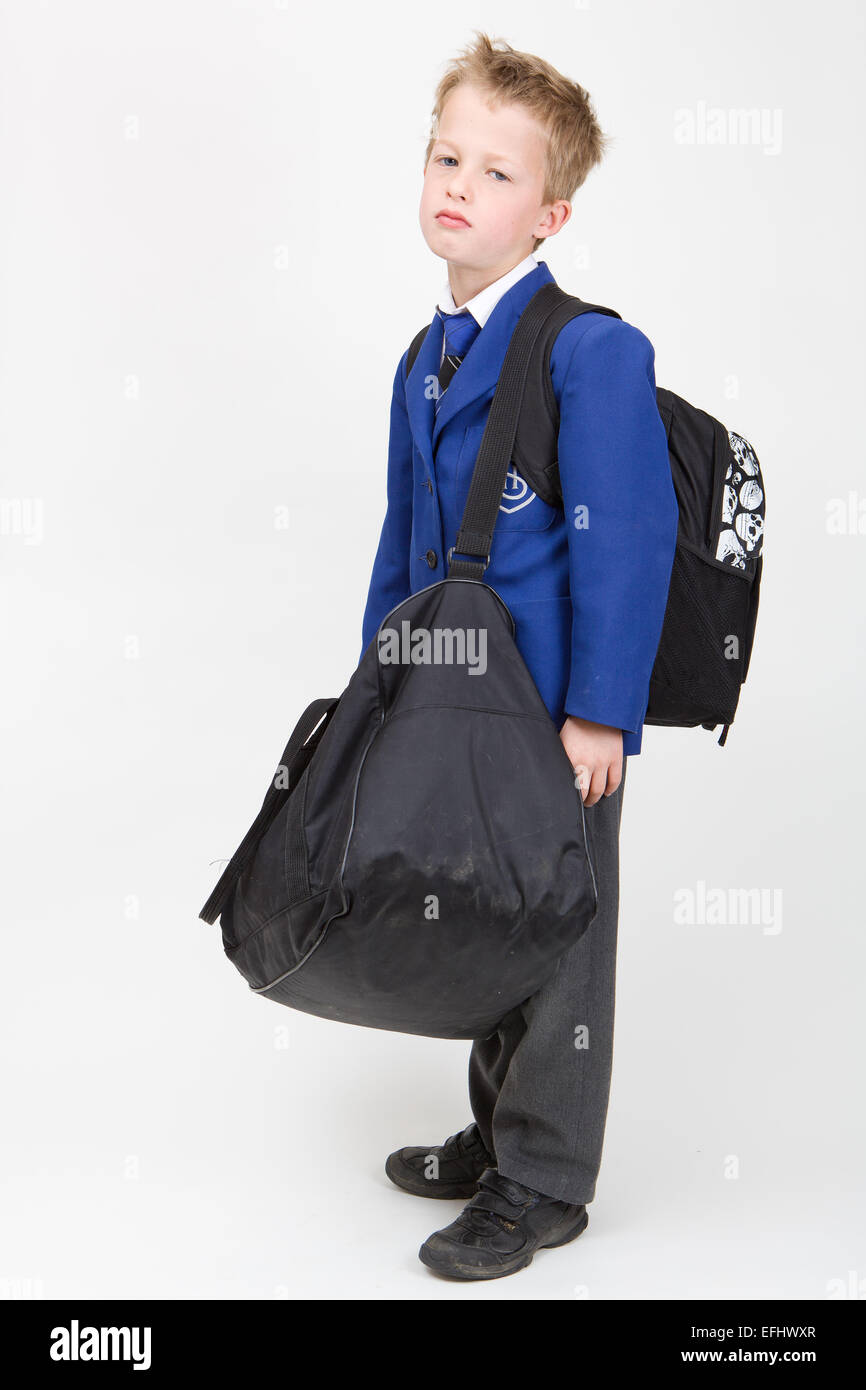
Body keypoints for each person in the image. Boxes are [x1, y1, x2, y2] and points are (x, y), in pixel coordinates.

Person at [360, 32, 679, 1281]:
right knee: (486, 915)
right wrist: (375, 691)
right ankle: (497, 1132)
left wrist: (600, 712)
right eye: (446, 156)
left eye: (496, 174)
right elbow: (405, 536)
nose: (458, 184)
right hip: (447, 704)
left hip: (551, 715)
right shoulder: (422, 359)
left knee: (557, 931)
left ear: (547, 215)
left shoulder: (589, 350)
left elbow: (629, 539)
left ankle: (542, 1178)